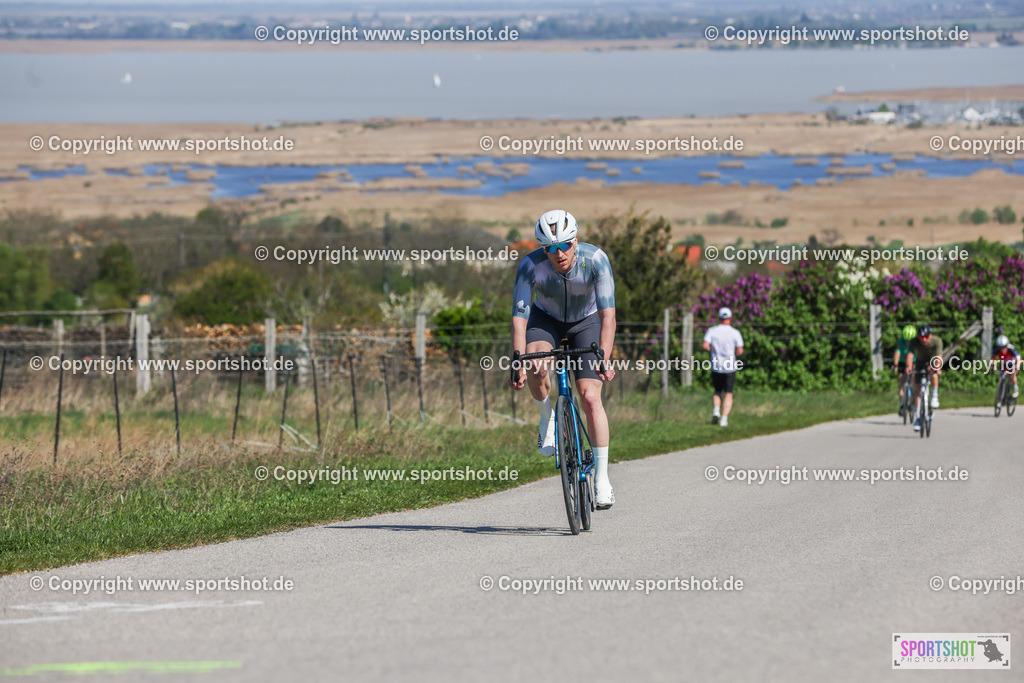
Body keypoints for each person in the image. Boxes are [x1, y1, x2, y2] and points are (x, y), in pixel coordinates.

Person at [509, 209, 617, 508]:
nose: (558, 254)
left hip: (588, 320)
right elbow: (520, 320)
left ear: (575, 241)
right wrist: (517, 360)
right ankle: (547, 419)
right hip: (547, 320)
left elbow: (608, 317)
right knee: (536, 363)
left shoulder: (595, 260)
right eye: (550, 249)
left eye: (564, 246)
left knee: (590, 396)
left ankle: (602, 479)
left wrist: (604, 358)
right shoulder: (530, 265)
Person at [702, 307, 744, 427]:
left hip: (716, 365)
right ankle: (724, 419)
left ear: (719, 318)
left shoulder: (712, 331)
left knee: (717, 392)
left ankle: (716, 411)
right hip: (730, 366)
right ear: (730, 318)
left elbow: (705, 345)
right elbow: (740, 350)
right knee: (728, 393)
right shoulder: (735, 333)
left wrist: (712, 349)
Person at [905, 324, 943, 431]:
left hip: (932, 360)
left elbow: (939, 356)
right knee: (917, 390)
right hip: (920, 362)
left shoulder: (937, 341)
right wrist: (908, 367)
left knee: (934, 374)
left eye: (926, 337)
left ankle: (935, 396)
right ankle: (918, 418)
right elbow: (911, 354)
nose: (924, 339)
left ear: (930, 335)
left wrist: (937, 367)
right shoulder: (914, 341)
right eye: (921, 337)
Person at [893, 324, 917, 415]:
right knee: (902, 380)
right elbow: (897, 352)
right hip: (903, 363)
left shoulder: (916, 343)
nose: (908, 342)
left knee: (915, 379)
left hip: (914, 363)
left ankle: (915, 401)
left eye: (910, 340)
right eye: (907, 340)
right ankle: (902, 404)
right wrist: (895, 364)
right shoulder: (900, 341)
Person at [991, 334, 1021, 398]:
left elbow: (1018, 357)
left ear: (1006, 345)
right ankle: (999, 397)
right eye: (1000, 347)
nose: (1002, 349)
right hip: (1004, 364)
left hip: (1013, 363)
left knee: (1012, 374)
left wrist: (1017, 365)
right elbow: (993, 358)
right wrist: (992, 364)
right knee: (1000, 378)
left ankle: (1015, 387)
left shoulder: (1011, 348)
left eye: (1004, 347)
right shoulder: (996, 350)